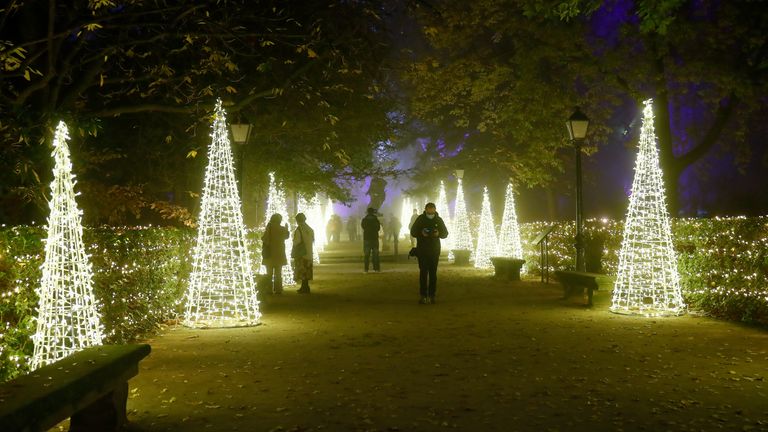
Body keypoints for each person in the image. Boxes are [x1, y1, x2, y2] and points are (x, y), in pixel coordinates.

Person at [410, 203, 448, 304]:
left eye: (432, 210)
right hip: (422, 250)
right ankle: (423, 295)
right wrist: (421, 233)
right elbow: (413, 232)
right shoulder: (421, 219)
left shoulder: (438, 220)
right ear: (425, 209)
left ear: (435, 210)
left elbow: (445, 234)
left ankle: (432, 295)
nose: (431, 212)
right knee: (423, 273)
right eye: (429, 209)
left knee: (433, 273)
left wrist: (438, 233)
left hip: (434, 250)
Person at [261, 213, 289, 295]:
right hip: (279, 253)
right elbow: (286, 237)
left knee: (269, 274)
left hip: (269, 254)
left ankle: (269, 290)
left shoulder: (269, 228)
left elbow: (264, 239)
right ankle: (278, 289)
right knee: (278, 273)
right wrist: (287, 229)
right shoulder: (282, 229)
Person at [292, 213, 315, 294]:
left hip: (301, 253)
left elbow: (296, 242)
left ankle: (304, 287)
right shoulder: (309, 229)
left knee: (302, 270)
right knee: (307, 270)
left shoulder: (299, 229)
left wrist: (293, 243)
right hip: (309, 252)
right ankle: (305, 286)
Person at [360, 207, 381, 273]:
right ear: (373, 212)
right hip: (374, 238)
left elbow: (363, 227)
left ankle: (366, 269)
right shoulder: (376, 219)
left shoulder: (364, 219)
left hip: (367, 238)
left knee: (366, 255)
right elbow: (378, 228)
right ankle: (376, 269)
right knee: (375, 254)